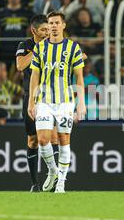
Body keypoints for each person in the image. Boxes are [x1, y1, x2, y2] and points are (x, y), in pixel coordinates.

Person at [28, 11, 86, 193]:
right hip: (44, 100)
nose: (53, 26)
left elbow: (79, 78)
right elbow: (35, 75)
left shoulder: (73, 48)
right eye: (50, 23)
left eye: (56, 23)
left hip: (65, 102)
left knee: (63, 140)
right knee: (43, 139)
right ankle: (53, 171)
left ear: (63, 26)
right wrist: (31, 101)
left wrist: (81, 103)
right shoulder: (40, 48)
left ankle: (61, 181)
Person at [16, 14, 59, 192]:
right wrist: (38, 49)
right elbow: (20, 66)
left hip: (50, 96)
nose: (47, 33)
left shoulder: (54, 45)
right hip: (32, 97)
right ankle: (35, 184)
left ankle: (56, 179)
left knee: (54, 136)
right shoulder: (25, 46)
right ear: (34, 30)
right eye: (43, 30)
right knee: (32, 140)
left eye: (48, 30)